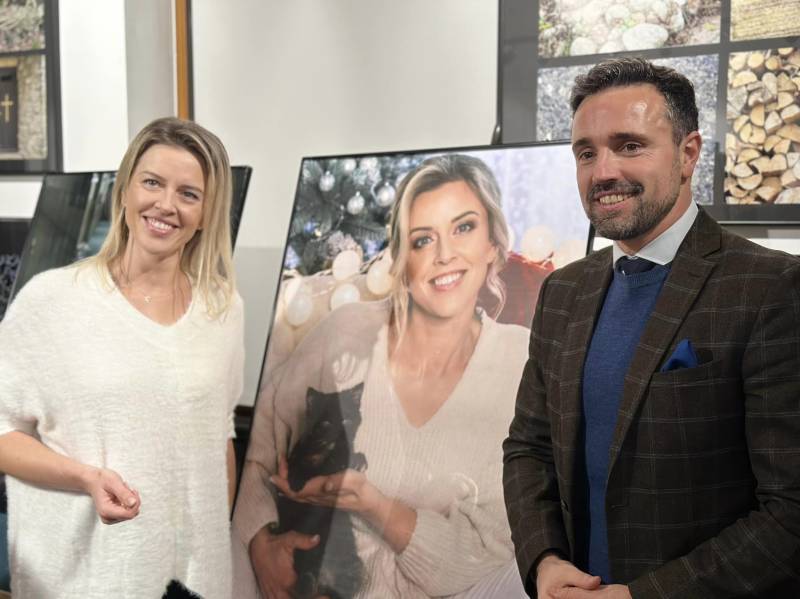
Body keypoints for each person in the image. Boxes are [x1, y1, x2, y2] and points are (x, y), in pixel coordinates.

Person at [503, 57, 800, 598]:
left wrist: (643, 597)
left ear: (688, 154)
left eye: (629, 146)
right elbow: (529, 447)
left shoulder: (770, 287)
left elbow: (790, 511)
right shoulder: (563, 291)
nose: (602, 172)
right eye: (586, 153)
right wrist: (544, 561)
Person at [233, 154, 529, 598]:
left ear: (492, 244)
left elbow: (492, 547)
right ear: (402, 259)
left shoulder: (519, 360)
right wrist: (261, 545)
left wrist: (374, 506)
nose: (444, 255)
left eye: (463, 228)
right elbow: (259, 454)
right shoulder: (346, 331)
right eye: (423, 240)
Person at [0, 117, 245, 598]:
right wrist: (85, 478)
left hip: (189, 581)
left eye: (188, 194)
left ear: (206, 213)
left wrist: (215, 546)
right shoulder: (51, 300)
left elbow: (220, 437)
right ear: (126, 190)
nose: (166, 205)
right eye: (152, 183)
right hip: (79, 580)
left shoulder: (223, 309)